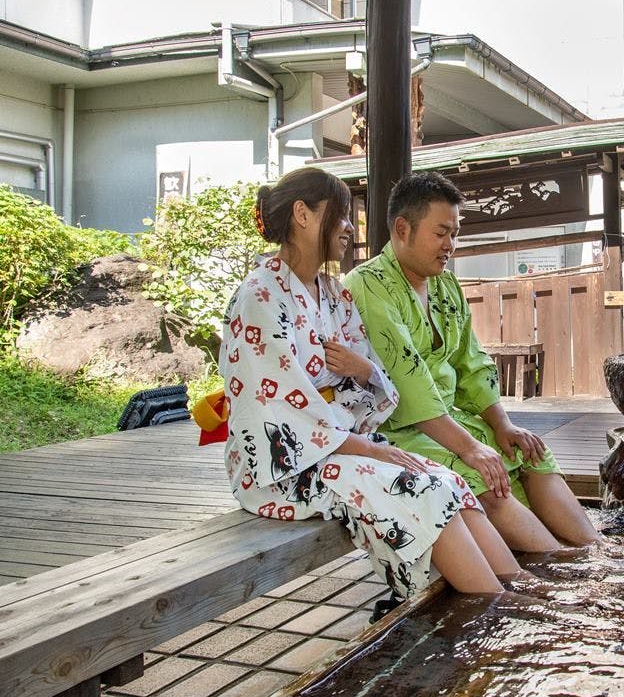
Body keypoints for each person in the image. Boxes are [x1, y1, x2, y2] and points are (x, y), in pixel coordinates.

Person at [219, 167, 523, 602]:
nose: (348, 228)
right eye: (340, 215)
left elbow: (371, 381)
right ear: (302, 215)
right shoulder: (260, 297)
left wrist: (364, 371)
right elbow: (281, 414)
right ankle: (496, 603)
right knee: (413, 485)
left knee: (444, 478)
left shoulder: (332, 292)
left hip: (337, 446)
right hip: (283, 465)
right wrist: (374, 448)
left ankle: (516, 586)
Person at [345, 172, 601, 552]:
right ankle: (562, 562)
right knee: (477, 473)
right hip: (399, 428)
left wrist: (502, 425)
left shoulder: (445, 285)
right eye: (441, 232)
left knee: (529, 452)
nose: (451, 244)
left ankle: (597, 549)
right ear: (402, 228)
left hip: (452, 420)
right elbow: (406, 382)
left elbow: (471, 362)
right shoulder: (368, 285)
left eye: (455, 233)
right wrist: (469, 447)